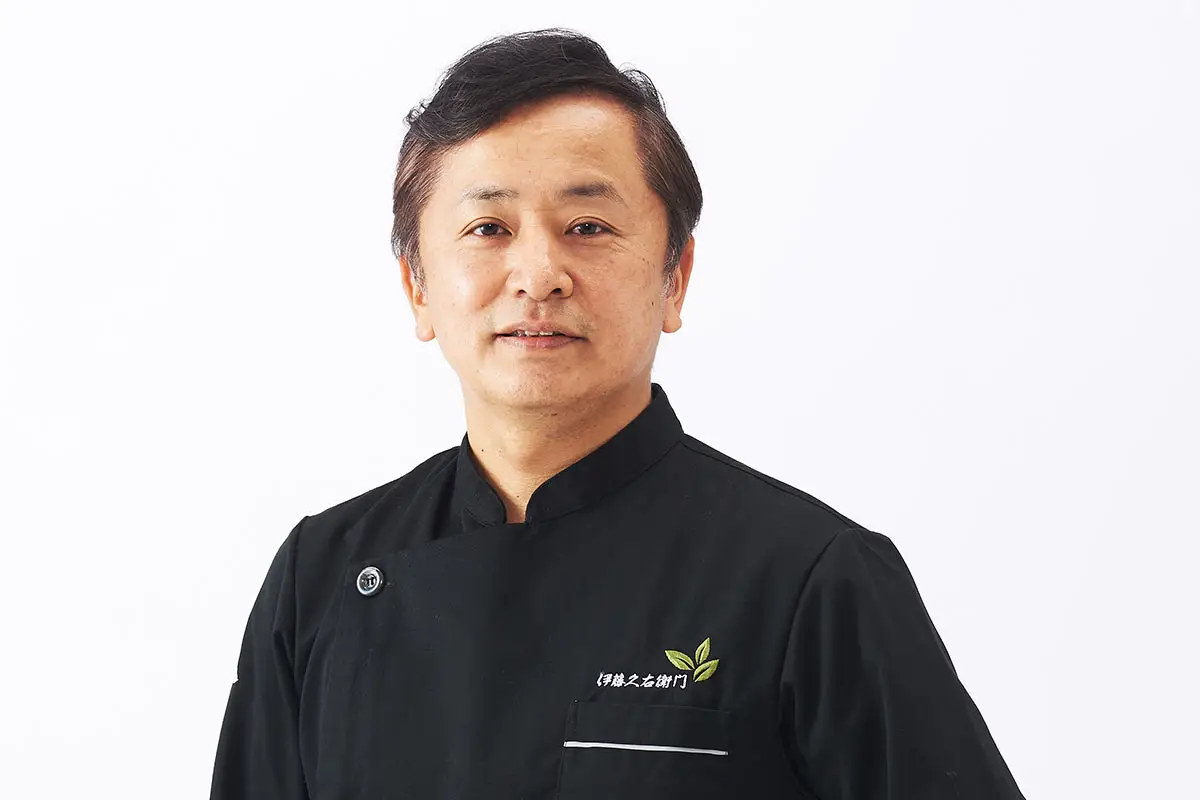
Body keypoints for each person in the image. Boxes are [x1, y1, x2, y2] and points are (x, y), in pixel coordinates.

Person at [209, 29, 1026, 799]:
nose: (539, 273)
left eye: (588, 226)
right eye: (488, 227)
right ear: (417, 287)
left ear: (676, 277)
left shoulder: (813, 580)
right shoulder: (320, 578)